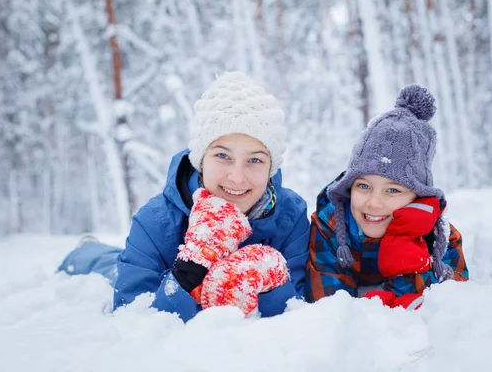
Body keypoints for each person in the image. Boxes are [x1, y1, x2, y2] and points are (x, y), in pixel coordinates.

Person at [58, 72, 310, 321]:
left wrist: (267, 279)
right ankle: (86, 250)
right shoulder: (155, 221)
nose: (237, 177)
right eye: (223, 156)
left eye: (254, 160)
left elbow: (295, 308)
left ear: (270, 167)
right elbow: (132, 315)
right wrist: (188, 272)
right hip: (148, 269)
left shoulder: (290, 216)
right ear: (200, 160)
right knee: (110, 268)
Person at [304, 85, 468, 310]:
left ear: (419, 197)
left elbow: (452, 302)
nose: (373, 203)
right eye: (363, 186)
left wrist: (404, 247)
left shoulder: (439, 236)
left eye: (393, 190)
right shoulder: (331, 225)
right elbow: (328, 307)